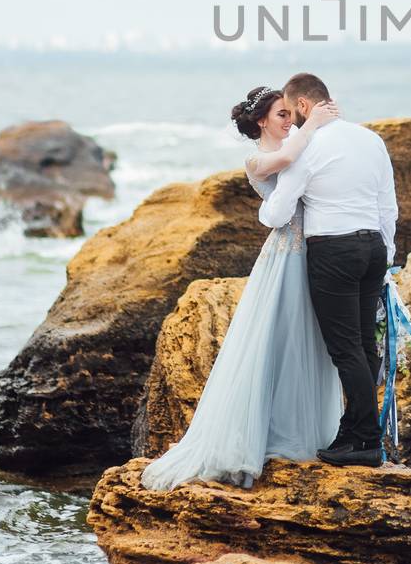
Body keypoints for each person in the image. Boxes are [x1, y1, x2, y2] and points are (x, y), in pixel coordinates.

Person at [139, 84, 342, 491]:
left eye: (292, 114)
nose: (291, 121)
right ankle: (257, 439)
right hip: (285, 258)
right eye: (282, 115)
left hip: (317, 254)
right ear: (261, 121)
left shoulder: (305, 147)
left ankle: (303, 434)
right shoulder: (258, 159)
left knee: (309, 346)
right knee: (274, 342)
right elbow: (285, 159)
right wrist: (315, 122)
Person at [259, 71, 397, 468]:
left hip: (333, 250)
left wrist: (263, 207)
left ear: (303, 106)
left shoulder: (308, 147)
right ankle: (351, 434)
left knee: (345, 350)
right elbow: (388, 205)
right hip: (373, 246)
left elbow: (279, 212)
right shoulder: (371, 139)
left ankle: (368, 441)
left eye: (291, 109)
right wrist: (386, 255)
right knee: (363, 347)